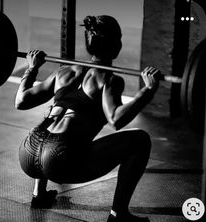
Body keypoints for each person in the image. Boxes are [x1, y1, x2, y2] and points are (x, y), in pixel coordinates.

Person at [15, 15, 160, 222]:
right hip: (59, 160)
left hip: (28, 152)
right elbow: (116, 119)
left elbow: (21, 101)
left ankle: (39, 194)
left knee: (54, 114)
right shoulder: (109, 80)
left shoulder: (64, 71)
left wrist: (32, 68)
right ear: (116, 44)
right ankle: (119, 215)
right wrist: (148, 90)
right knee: (140, 140)